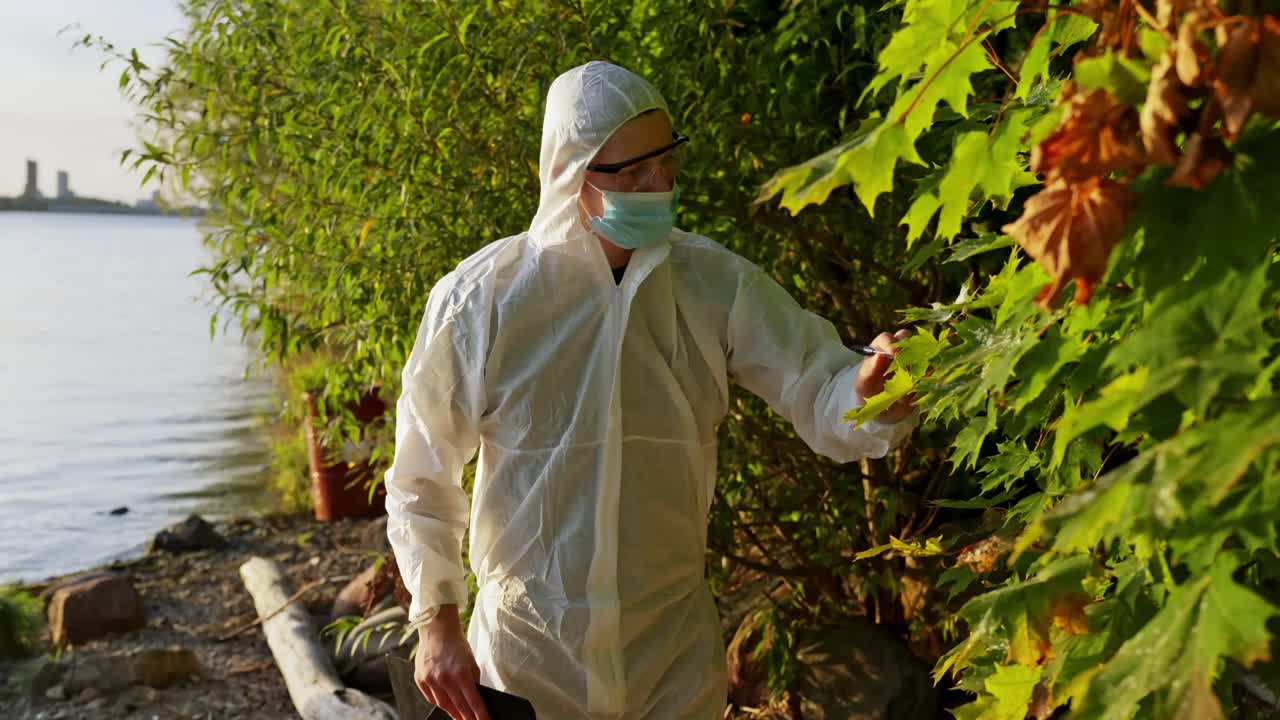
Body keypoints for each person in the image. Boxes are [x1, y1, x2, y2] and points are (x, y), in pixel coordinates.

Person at [385, 61, 916, 720]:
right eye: (631, 175)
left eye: (665, 163)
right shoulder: (483, 301)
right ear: (567, 173)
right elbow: (421, 475)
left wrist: (871, 392)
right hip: (527, 660)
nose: (657, 186)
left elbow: (819, 388)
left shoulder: (713, 285)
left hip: (672, 659)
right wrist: (437, 622)